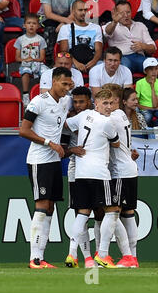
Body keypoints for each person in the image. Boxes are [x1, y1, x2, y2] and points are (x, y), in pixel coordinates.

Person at [19, 67, 72, 268]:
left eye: (69, 84)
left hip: (53, 162)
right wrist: (50, 142)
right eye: (63, 84)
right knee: (41, 205)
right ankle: (33, 258)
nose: (67, 88)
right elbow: (23, 130)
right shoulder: (38, 102)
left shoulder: (65, 101)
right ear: (53, 82)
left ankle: (40, 257)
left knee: (50, 206)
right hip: (39, 160)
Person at [65, 89, 121, 269]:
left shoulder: (83, 115)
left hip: (81, 172)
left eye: (111, 103)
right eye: (105, 103)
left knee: (83, 212)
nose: (109, 107)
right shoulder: (107, 122)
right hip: (99, 173)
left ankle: (72, 254)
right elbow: (116, 143)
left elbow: (66, 124)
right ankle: (102, 254)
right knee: (112, 210)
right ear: (95, 104)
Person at [61, 86, 94, 268]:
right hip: (76, 169)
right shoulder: (70, 122)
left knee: (100, 213)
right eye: (76, 102)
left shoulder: (98, 117)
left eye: (82, 101)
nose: (79, 105)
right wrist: (73, 150)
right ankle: (86, 257)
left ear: (90, 101)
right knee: (80, 213)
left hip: (99, 169)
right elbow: (62, 151)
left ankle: (98, 255)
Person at [109, 89, 140, 268]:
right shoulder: (121, 115)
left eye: (111, 102)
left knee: (113, 212)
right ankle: (133, 258)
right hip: (128, 168)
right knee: (127, 213)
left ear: (118, 101)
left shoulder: (112, 118)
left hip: (120, 171)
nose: (108, 106)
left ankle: (128, 256)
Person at [103, 0, 158, 79]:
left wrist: (143, 46)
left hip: (140, 58)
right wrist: (114, 22)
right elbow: (107, 32)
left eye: (128, 12)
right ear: (116, 14)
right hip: (122, 58)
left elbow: (153, 48)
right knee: (123, 68)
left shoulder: (140, 26)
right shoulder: (111, 25)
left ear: (131, 12)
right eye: (122, 13)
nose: (126, 15)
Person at [57, 0, 103, 74]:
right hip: (72, 62)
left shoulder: (96, 27)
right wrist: (76, 63)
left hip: (91, 60)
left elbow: (98, 50)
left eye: (85, 10)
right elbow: (64, 51)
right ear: (73, 11)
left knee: (104, 66)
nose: (83, 13)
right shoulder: (65, 28)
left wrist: (93, 62)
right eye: (80, 10)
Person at [14, 13, 49, 106]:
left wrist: (34, 60)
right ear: (24, 25)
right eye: (29, 23)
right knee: (25, 72)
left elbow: (42, 57)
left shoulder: (40, 40)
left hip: (37, 63)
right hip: (25, 63)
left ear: (38, 26)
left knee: (47, 72)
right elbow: (17, 58)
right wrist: (26, 60)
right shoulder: (20, 40)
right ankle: (25, 95)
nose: (31, 25)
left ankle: (45, 95)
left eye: (34, 23)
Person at [37, 0, 77, 66]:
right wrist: (65, 21)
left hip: (67, 18)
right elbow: (48, 14)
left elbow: (73, 13)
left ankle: (69, 60)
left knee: (72, 28)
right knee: (50, 29)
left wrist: (62, 24)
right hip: (47, 18)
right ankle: (48, 60)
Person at [136, 57, 158, 127]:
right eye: (151, 69)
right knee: (148, 117)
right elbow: (136, 104)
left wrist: (152, 87)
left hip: (157, 109)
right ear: (145, 71)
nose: (154, 72)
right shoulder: (139, 83)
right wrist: (151, 108)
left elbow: (155, 104)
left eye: (156, 69)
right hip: (144, 109)